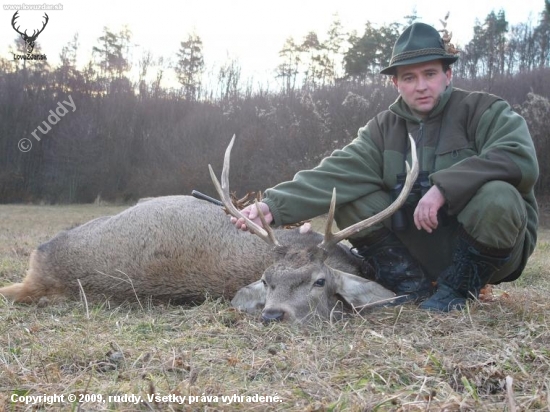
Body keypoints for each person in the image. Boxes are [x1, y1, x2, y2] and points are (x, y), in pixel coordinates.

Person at [232, 22, 539, 312]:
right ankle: (409, 284)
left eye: (430, 74)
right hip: (421, 249)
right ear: (396, 83)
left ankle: (458, 289)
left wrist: (443, 188)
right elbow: (337, 172)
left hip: (492, 251)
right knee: (349, 197)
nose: (421, 86)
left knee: (498, 195)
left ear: (448, 75)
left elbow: (517, 157)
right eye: (409, 77)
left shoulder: (485, 111)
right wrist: (273, 206)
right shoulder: (383, 129)